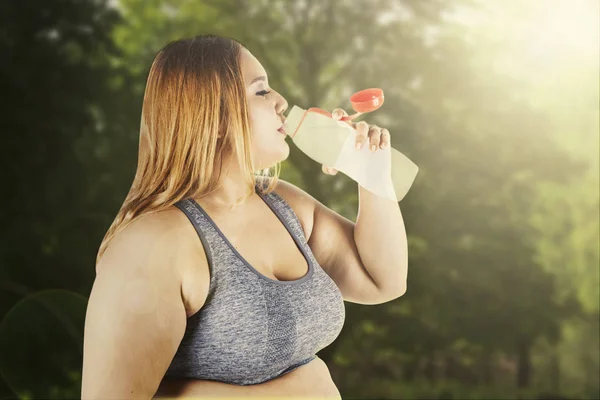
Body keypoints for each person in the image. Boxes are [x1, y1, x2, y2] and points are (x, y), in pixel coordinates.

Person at [81, 34, 408, 399]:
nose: (282, 101)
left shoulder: (280, 203)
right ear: (215, 116)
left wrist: (373, 180)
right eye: (261, 91)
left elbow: (382, 281)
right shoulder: (152, 244)